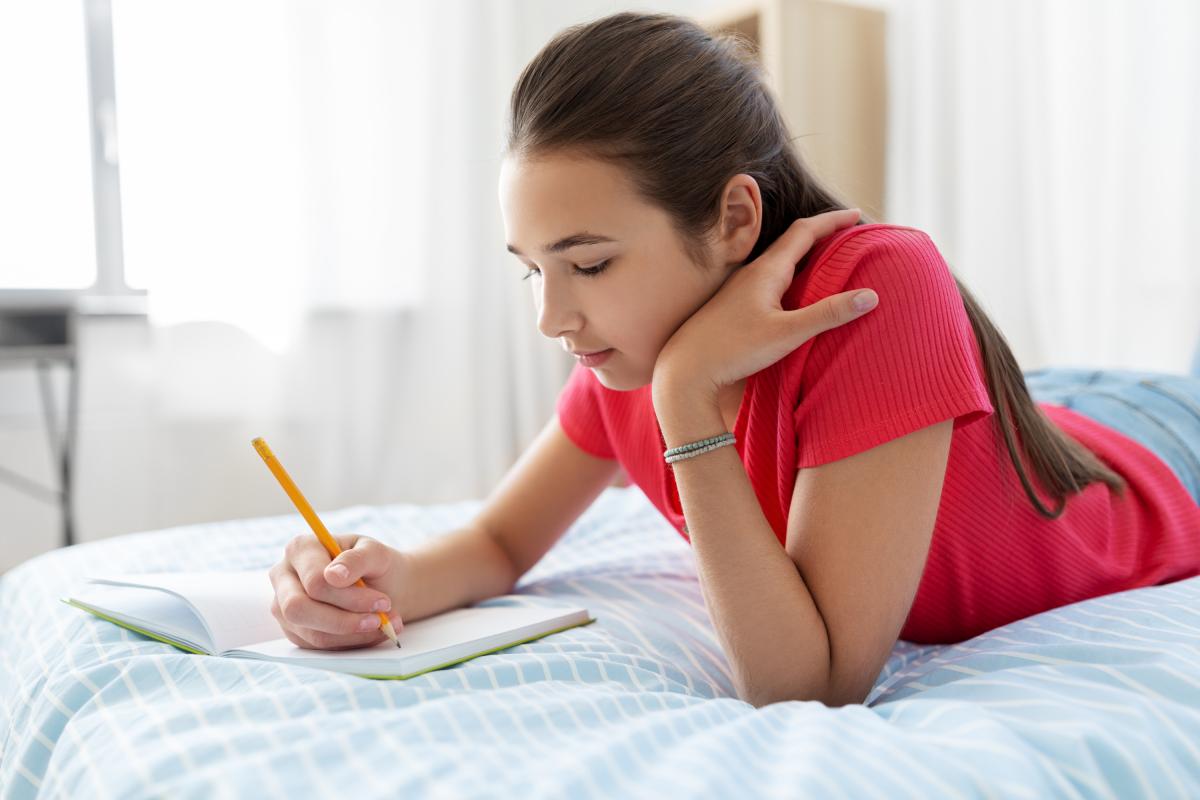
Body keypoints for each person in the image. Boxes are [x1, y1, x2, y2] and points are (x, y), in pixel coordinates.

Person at [269, 12, 1200, 707]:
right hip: (1024, 418)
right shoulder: (620, 346)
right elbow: (503, 541)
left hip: (1153, 450)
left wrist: (686, 400)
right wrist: (379, 582)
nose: (554, 317)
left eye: (589, 263)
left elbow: (812, 685)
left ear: (736, 218)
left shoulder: (872, 286)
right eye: (533, 272)